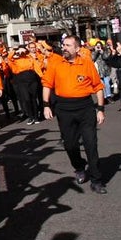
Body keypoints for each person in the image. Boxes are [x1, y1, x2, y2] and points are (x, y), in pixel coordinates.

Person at [41, 35, 108, 194]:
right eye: (63, 45)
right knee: (70, 145)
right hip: (64, 109)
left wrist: (100, 109)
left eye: (68, 45)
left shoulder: (86, 63)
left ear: (77, 49)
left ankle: (96, 180)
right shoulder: (55, 63)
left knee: (91, 144)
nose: (64, 47)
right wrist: (46, 105)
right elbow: (47, 85)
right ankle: (79, 166)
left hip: (85, 107)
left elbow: (98, 86)